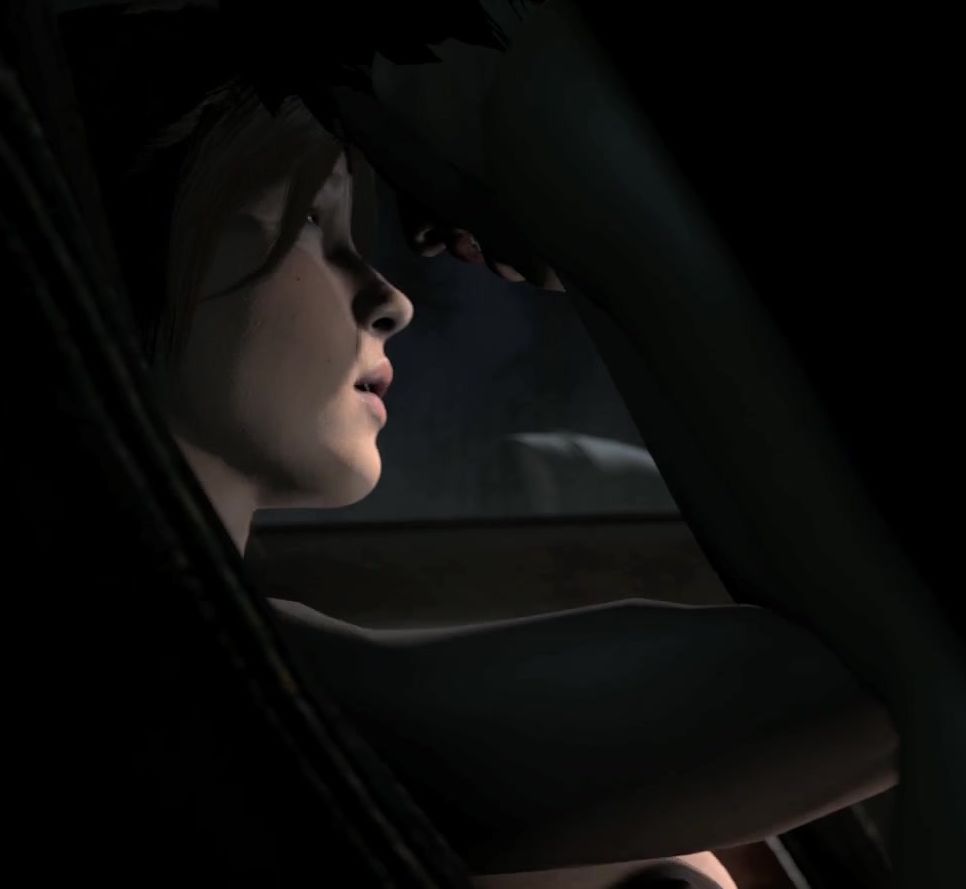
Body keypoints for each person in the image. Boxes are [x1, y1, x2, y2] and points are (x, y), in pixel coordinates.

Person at [63, 4, 897, 885]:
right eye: (310, 220)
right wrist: (594, 230)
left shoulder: (229, 661)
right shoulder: (205, 682)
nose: (391, 300)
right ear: (123, 256)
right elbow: (886, 668)